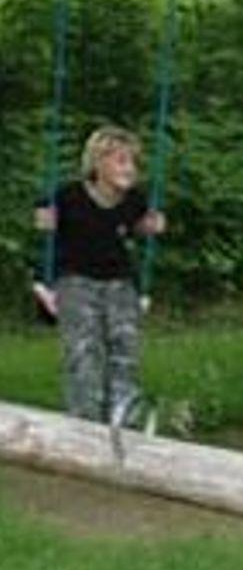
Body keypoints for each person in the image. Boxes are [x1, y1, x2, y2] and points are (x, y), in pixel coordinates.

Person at [31, 125, 166, 424]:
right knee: (84, 350)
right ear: (98, 163)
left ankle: (123, 419)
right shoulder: (68, 196)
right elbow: (43, 224)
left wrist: (149, 226)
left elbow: (137, 226)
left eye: (133, 162)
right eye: (121, 161)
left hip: (119, 281)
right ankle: (86, 421)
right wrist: (42, 282)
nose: (130, 169)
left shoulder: (135, 200)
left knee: (126, 346)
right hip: (74, 280)